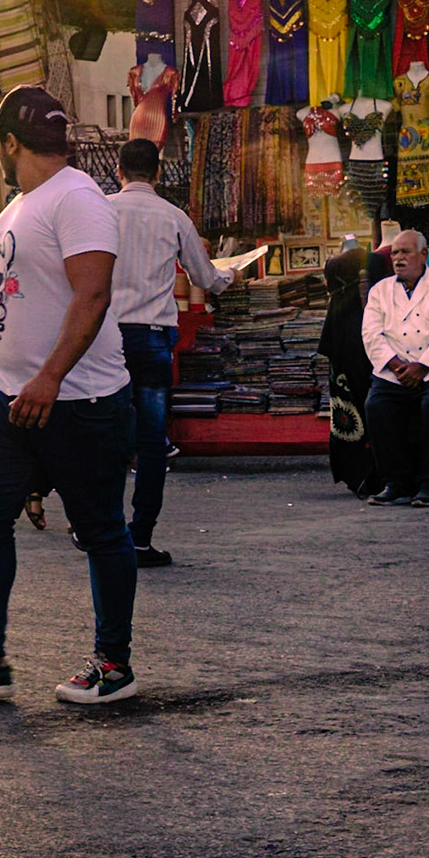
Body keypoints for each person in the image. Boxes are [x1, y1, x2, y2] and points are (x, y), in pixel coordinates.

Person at [0, 86, 139, 705]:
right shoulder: (21, 204)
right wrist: (8, 374)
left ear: (9, 141)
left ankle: (114, 664)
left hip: (80, 397)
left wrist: (50, 376)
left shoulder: (78, 200)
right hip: (8, 393)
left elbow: (92, 296)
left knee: (99, 531)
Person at [107, 139, 234, 566]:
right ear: (157, 172)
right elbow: (204, 276)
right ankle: (140, 537)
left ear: (119, 170)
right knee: (152, 441)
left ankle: (96, 525)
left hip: (104, 336)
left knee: (103, 430)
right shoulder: (173, 216)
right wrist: (227, 276)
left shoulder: (101, 210)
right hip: (152, 337)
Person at [362, 229, 429, 508]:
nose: (399, 258)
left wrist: (423, 367)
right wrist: (398, 366)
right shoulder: (380, 291)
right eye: (395, 253)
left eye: (406, 252)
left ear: (423, 255)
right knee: (377, 405)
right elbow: (371, 335)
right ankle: (396, 482)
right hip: (396, 368)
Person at [317, 246, 377, 497]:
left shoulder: (341, 304)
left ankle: (358, 473)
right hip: (354, 369)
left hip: (345, 371)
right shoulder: (355, 303)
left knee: (348, 413)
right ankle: (366, 473)